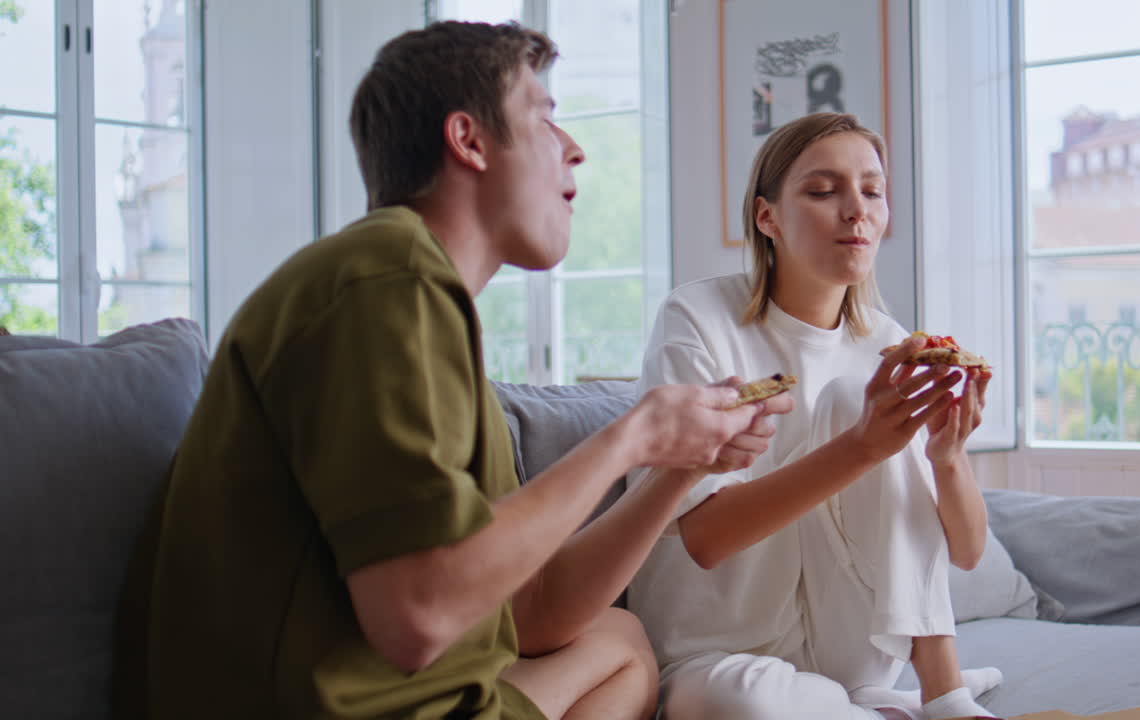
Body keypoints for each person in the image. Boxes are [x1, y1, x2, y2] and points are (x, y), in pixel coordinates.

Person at [112, 21, 792, 720]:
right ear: (468, 140)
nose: (575, 148)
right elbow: (420, 613)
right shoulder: (385, 280)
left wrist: (677, 465)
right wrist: (632, 436)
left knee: (620, 642)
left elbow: (533, 613)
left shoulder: (416, 301)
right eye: (544, 117)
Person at [625, 112, 1002, 720]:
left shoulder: (888, 343)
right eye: (824, 191)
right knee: (743, 703)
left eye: (873, 192)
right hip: (715, 652)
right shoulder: (697, 318)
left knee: (854, 396)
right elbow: (704, 538)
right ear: (767, 217)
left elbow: (967, 551)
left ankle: (943, 694)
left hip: (847, 645)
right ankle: (877, 710)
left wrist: (948, 457)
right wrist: (864, 446)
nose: (856, 211)